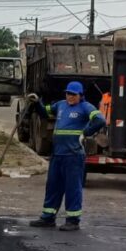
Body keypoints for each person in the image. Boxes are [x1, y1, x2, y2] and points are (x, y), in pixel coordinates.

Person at [28, 81, 104, 231]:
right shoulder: (61, 105)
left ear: (80, 95)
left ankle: (73, 220)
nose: (69, 96)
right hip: (57, 154)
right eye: (68, 93)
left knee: (72, 188)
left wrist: (86, 133)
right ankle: (48, 217)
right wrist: (36, 103)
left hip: (73, 155)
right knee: (53, 186)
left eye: (73, 94)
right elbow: (44, 113)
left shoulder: (85, 107)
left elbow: (100, 120)